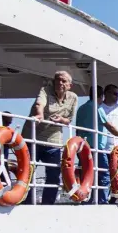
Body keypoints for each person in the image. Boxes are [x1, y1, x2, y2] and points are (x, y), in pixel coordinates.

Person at [23, 71, 78, 205]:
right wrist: (40, 115)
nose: (60, 83)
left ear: (69, 85)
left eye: (64, 81)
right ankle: (27, 202)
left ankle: (48, 204)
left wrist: (61, 120)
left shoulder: (73, 98)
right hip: (33, 138)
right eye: (57, 80)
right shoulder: (45, 91)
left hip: (53, 140)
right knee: (27, 172)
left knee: (53, 175)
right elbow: (39, 104)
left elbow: (69, 120)